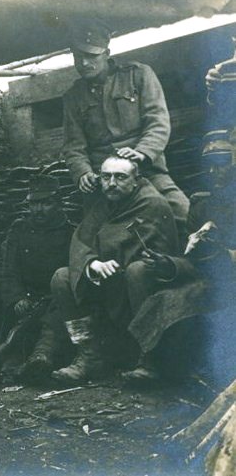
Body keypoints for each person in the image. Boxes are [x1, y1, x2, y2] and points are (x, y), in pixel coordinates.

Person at [50, 156, 179, 383]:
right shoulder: (103, 204)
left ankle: (150, 357)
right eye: (106, 176)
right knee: (61, 277)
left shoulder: (152, 204)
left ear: (135, 180)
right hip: (108, 285)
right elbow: (81, 240)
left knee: (137, 271)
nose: (111, 183)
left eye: (120, 177)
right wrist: (92, 264)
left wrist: (114, 261)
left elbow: (158, 255)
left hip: (140, 290)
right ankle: (89, 355)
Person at [126, 133, 236, 386]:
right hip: (213, 282)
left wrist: (226, 255)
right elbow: (195, 258)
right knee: (166, 300)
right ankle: (157, 365)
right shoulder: (202, 206)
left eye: (221, 163)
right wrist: (170, 264)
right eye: (208, 164)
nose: (213, 171)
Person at [62, 20, 189, 237]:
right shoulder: (73, 97)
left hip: (144, 170)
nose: (84, 63)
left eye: (92, 56)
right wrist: (82, 173)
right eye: (78, 57)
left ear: (107, 53)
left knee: (183, 213)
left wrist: (141, 153)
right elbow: (74, 146)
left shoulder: (138, 75)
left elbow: (158, 121)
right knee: (91, 237)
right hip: (102, 179)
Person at [0, 175, 74, 379]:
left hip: (49, 298)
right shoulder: (19, 228)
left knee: (61, 302)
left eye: (46, 203)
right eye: (34, 203)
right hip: (20, 294)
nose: (39, 210)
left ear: (59, 203)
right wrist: (17, 297)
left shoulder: (69, 233)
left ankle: (41, 356)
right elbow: (8, 266)